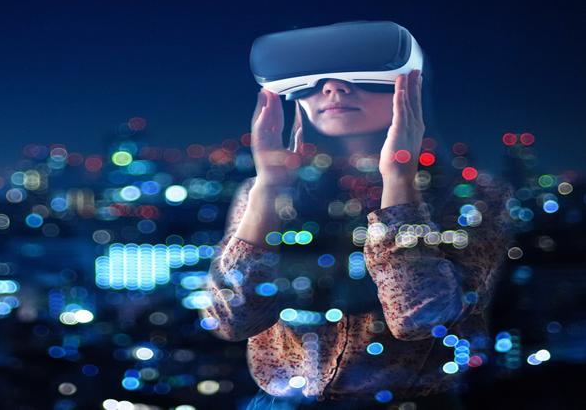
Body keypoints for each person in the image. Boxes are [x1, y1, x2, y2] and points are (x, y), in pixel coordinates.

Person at [199, 68, 516, 409]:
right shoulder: (266, 191)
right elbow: (231, 320)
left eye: (364, 74)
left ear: (408, 87)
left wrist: (398, 180)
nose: (333, 88)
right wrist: (269, 188)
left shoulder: (474, 195)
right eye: (314, 79)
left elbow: (419, 317)